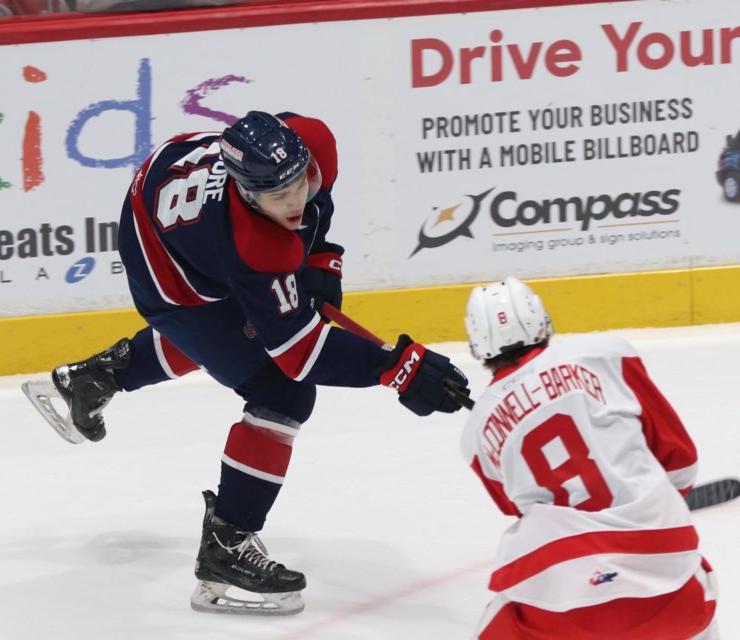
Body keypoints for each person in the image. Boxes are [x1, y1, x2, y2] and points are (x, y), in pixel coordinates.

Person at [47, 110, 470, 615]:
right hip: (159, 256)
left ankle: (100, 375)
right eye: (276, 197)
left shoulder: (312, 143)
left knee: (238, 335)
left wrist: (318, 257)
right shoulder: (253, 246)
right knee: (280, 391)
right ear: (247, 192)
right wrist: (396, 367)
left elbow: (315, 194)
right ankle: (226, 544)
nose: (294, 202)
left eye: (297, 184)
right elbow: (301, 356)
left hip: (169, 179)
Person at [461, 277, 718, 639]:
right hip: (663, 575)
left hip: (561, 597)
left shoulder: (474, 434)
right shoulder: (607, 354)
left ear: (477, 343)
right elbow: (680, 460)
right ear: (540, 317)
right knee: (695, 593)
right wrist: (655, 503)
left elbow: (516, 505)